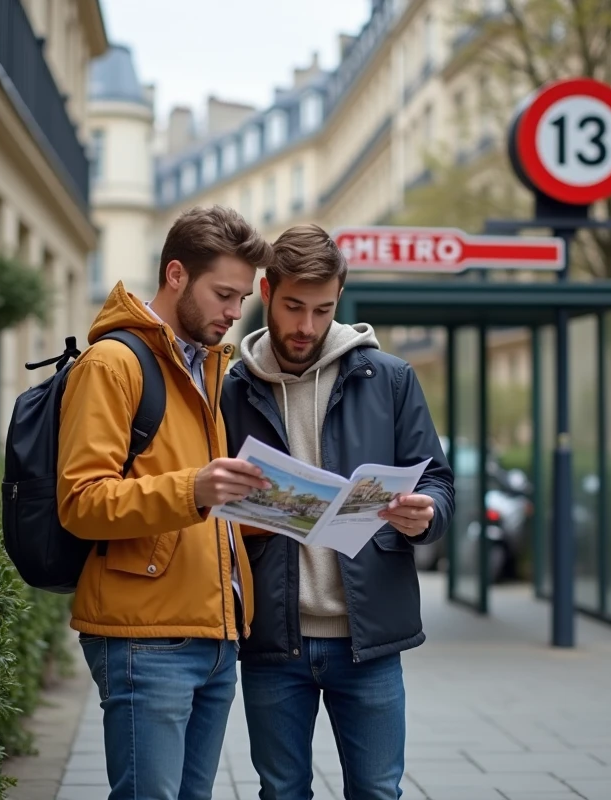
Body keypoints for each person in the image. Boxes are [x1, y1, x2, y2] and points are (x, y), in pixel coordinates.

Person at [220, 223, 454, 800]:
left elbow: (437, 479)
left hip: (368, 639)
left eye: (323, 310)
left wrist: (427, 513)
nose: (307, 325)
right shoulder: (231, 389)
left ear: (339, 299)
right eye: (294, 307)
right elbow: (205, 499)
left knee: (377, 791)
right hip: (273, 638)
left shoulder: (389, 378)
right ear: (267, 292)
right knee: (281, 792)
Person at [56, 205, 276, 800]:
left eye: (241, 299)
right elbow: (81, 501)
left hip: (216, 633)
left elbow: (202, 507)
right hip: (146, 637)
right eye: (223, 295)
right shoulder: (113, 364)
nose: (235, 313)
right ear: (176, 275)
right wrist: (194, 489)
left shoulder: (208, 365)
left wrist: (278, 510)